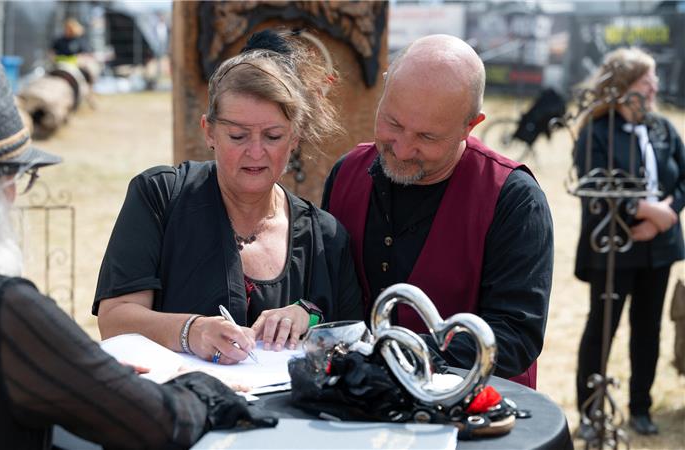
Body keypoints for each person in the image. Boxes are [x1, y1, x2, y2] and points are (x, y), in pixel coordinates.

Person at [0, 55, 274, 450]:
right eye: (18, 177)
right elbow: (157, 423)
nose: (14, 194)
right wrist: (201, 387)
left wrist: (95, 377)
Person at [94, 29, 363, 365]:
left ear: (294, 137)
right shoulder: (161, 196)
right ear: (209, 131)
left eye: (272, 136)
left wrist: (307, 316)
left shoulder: (325, 236)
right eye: (237, 135)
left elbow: (354, 337)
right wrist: (191, 331)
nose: (255, 152)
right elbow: (115, 320)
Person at [322, 34, 553, 389]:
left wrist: (396, 355)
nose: (401, 148)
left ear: (470, 125)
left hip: (468, 416)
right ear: (384, 91)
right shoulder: (345, 174)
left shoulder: (513, 199)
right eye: (393, 124)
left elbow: (515, 336)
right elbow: (326, 296)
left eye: (427, 137)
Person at [573, 47, 685, 437]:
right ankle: (590, 414)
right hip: (613, 247)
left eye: (653, 79)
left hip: (658, 247)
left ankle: (641, 407)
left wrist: (662, 219)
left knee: (648, 328)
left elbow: (682, 180)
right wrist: (647, 212)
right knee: (602, 327)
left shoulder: (663, 129)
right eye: (645, 80)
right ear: (622, 87)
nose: (654, 86)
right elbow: (596, 186)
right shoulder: (595, 133)